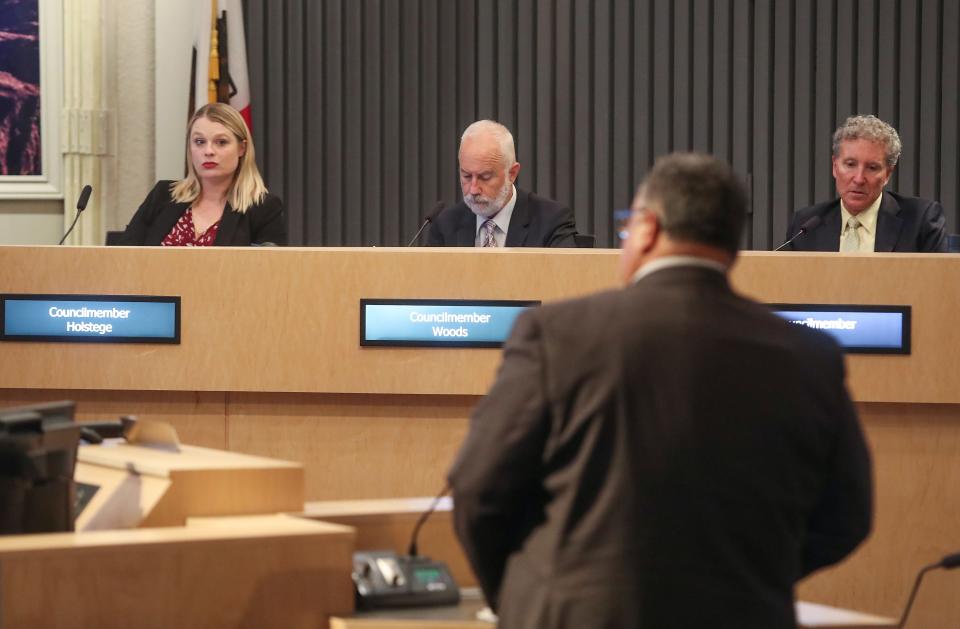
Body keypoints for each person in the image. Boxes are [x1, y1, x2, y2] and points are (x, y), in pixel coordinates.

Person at [448, 153, 873, 629]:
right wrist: (751, 576)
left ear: (647, 229)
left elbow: (478, 490)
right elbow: (848, 516)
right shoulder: (810, 356)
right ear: (731, 244)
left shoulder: (555, 334)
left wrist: (524, 596)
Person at [119, 103, 285, 246]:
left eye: (221, 142)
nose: (208, 151)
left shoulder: (263, 208)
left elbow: (269, 274)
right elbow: (124, 257)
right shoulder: (163, 195)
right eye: (199, 142)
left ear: (242, 148)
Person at [784, 115, 946, 252]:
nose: (859, 178)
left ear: (888, 174)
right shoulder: (805, 226)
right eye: (850, 164)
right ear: (835, 167)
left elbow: (938, 285)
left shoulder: (920, 221)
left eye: (872, 167)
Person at [426, 120, 578, 247]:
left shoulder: (551, 222)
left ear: (512, 173)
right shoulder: (445, 225)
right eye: (466, 176)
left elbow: (566, 279)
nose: (473, 190)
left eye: (485, 177)